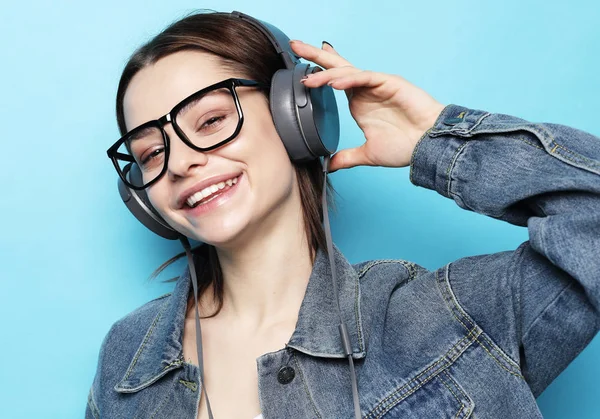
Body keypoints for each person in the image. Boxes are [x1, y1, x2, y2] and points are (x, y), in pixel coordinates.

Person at [86, 10, 600, 419]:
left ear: (297, 116)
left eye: (212, 119)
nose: (180, 163)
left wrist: (436, 140)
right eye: (152, 153)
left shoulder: (445, 319)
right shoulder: (127, 357)